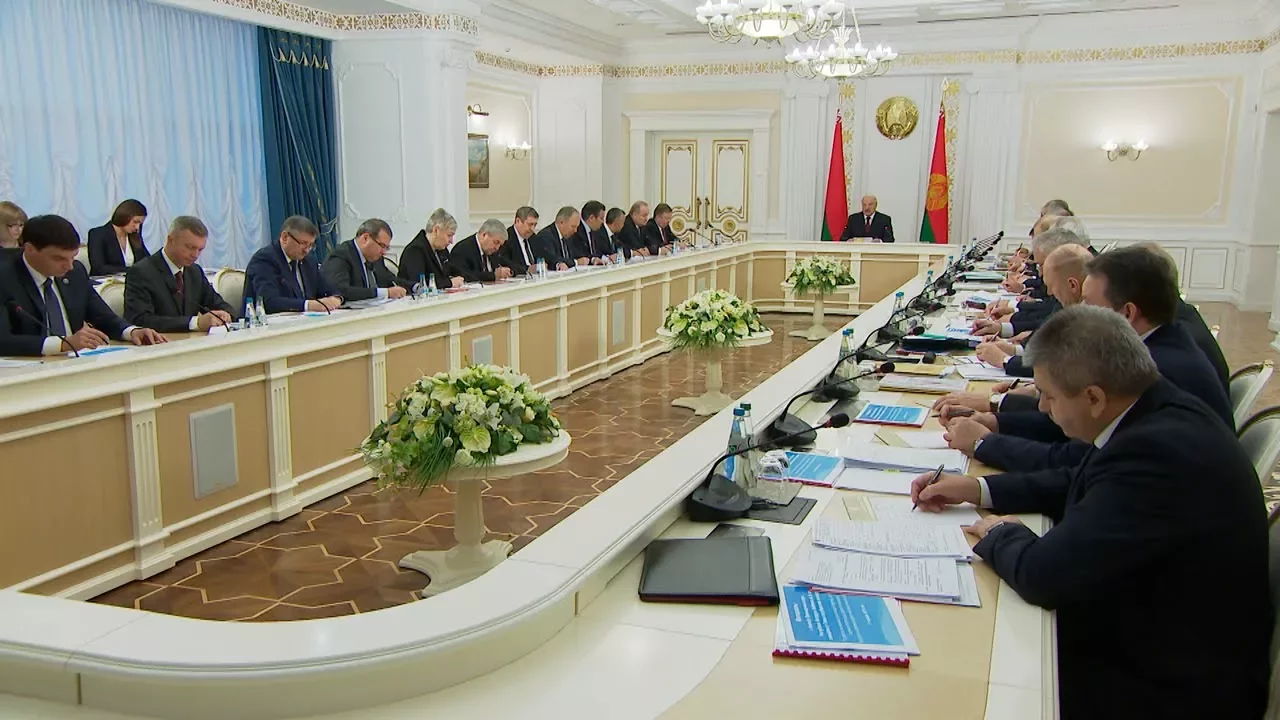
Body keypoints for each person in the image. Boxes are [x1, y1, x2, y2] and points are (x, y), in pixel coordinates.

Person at [912, 306, 1268, 720]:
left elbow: (1044, 575)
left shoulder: (1155, 453)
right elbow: (1080, 478)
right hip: (1160, 632)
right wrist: (979, 489)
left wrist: (999, 534)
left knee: (963, 668)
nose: (1042, 408)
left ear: (1094, 397)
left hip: (1168, 687)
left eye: (1049, 396)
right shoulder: (1154, 408)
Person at [947, 246, 1236, 472]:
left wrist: (986, 443)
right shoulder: (1164, 340)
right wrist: (998, 420)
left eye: (1089, 304)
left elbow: (1078, 460)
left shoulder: (1157, 368)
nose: (1079, 310)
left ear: (1127, 313)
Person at [0, 214, 166, 356]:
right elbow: (3, 341)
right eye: (59, 259)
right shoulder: (5, 278)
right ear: (29, 249)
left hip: (73, 363)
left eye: (73, 257)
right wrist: (62, 344)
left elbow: (102, 316)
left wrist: (132, 331)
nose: (69, 266)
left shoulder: (75, 272)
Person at [975, 244, 1091, 373]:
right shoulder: (1072, 306)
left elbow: (1058, 368)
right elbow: (1049, 349)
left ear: (1072, 285)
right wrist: (1012, 350)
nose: (1049, 293)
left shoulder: (1091, 321)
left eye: (1052, 286)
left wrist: (1004, 360)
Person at [124, 216, 235, 333]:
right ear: (171, 240)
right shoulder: (141, 272)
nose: (195, 255)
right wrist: (195, 323)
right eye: (190, 247)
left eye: (200, 249)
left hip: (191, 341)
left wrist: (225, 314)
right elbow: (141, 320)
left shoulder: (195, 271)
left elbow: (217, 303)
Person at [244, 216, 343, 315]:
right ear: (285, 237)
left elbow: (328, 288)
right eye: (303, 243)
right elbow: (269, 302)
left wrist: (336, 298)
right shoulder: (264, 260)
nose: (307, 250)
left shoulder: (309, 261)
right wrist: (309, 305)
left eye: (310, 245)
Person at [322, 218, 409, 302]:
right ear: (365, 238)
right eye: (382, 246)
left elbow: (390, 279)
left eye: (387, 248)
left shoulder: (376, 258)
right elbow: (341, 290)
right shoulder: (340, 255)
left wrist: (413, 287)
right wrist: (386, 293)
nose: (384, 252)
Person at [398, 209, 464, 289]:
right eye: (449, 235)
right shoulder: (415, 250)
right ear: (436, 230)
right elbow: (419, 284)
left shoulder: (441, 250)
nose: (451, 241)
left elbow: (453, 270)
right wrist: (449, 283)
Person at [87, 199, 152, 276]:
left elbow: (147, 260)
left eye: (140, 224)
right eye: (135, 222)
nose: (137, 227)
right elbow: (99, 268)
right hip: (106, 281)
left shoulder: (135, 236)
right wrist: (133, 270)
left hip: (131, 281)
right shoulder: (97, 234)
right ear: (124, 217)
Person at [499, 206, 539, 276]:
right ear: (518, 221)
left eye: (535, 225)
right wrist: (527, 269)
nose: (532, 229)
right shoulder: (506, 239)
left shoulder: (533, 238)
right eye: (530, 224)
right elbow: (505, 263)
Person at [573, 200, 611, 265]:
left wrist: (606, 258)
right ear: (591, 218)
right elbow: (580, 254)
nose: (603, 222)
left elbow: (598, 251)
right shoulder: (577, 230)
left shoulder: (595, 230)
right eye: (601, 218)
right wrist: (593, 259)